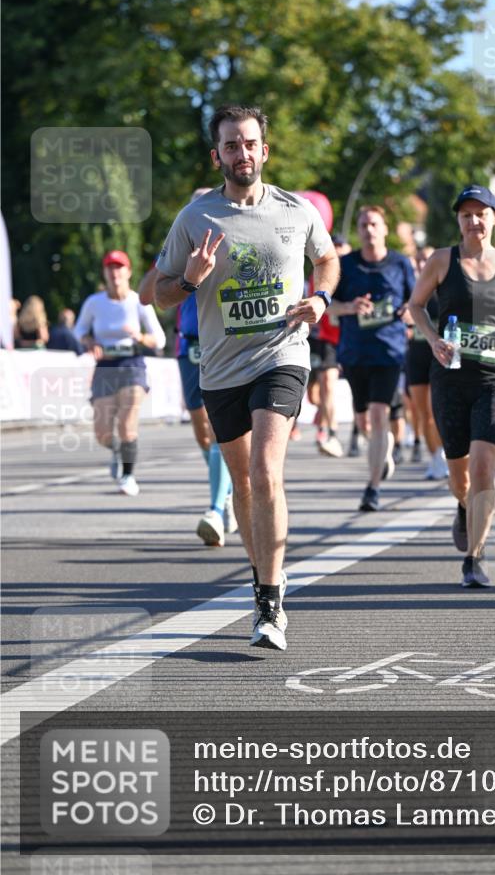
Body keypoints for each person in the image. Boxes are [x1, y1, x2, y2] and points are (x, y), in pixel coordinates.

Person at [154, 104, 339, 651]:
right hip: (221, 368)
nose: (242, 153)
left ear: (265, 149)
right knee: (241, 482)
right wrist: (188, 282)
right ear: (218, 156)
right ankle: (266, 574)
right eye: (231, 145)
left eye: (250, 143)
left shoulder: (297, 210)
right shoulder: (195, 219)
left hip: (282, 355)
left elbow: (327, 260)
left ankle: (268, 599)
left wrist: (321, 298)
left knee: (265, 469)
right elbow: (160, 292)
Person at [408, 184, 495, 588]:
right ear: (458, 221)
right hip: (450, 376)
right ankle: (464, 506)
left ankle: (475, 556)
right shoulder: (443, 260)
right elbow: (415, 306)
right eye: (466, 215)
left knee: (484, 465)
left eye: (482, 214)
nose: (474, 221)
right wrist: (432, 338)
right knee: (459, 476)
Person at [139, 190, 236, 548]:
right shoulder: (178, 246)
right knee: (203, 433)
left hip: (222, 341)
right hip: (188, 344)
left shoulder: (229, 240)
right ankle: (226, 490)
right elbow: (145, 295)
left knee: (219, 429)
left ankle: (215, 506)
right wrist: (171, 260)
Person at [329, 205, 415, 512]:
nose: (369, 230)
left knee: (380, 415)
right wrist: (350, 307)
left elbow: (414, 301)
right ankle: (383, 453)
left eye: (374, 224)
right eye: (364, 224)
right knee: (364, 421)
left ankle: (373, 487)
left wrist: (408, 313)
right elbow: (328, 306)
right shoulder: (345, 265)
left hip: (389, 351)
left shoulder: (400, 264)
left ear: (385, 229)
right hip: (354, 351)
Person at [74, 250, 166, 496]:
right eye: (110, 268)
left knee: (127, 425)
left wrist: (140, 337)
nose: (114, 273)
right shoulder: (94, 303)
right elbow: (79, 330)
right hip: (105, 369)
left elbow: (160, 339)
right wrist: (89, 342)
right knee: (102, 433)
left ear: (128, 272)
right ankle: (116, 450)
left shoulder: (138, 302)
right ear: (105, 273)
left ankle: (128, 475)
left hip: (132, 367)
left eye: (119, 267)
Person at [406, 245, 449, 479]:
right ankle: (434, 457)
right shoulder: (410, 289)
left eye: (427, 260)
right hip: (416, 354)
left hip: (439, 354)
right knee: (421, 412)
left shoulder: (444, 288)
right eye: (419, 260)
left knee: (437, 410)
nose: (423, 264)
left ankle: (444, 454)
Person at [307, 233, 350, 458]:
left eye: (343, 246)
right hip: (326, 338)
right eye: (336, 246)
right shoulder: (321, 272)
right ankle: (330, 431)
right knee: (324, 388)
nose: (339, 249)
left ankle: (352, 431)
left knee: (356, 389)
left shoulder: (354, 271)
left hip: (353, 338)